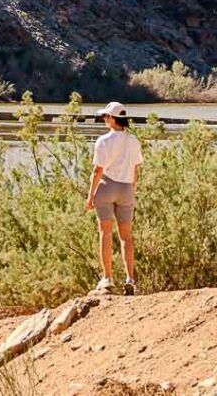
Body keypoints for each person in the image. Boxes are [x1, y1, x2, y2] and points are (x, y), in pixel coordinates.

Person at [85, 101, 144, 295]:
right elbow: (135, 170)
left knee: (105, 233)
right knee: (126, 237)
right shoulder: (133, 141)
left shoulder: (103, 141)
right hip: (126, 188)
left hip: (107, 186)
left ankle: (108, 277)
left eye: (105, 116)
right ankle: (130, 279)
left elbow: (98, 170)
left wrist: (90, 195)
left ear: (112, 119)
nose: (103, 119)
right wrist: (131, 190)